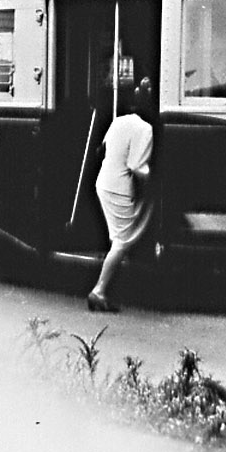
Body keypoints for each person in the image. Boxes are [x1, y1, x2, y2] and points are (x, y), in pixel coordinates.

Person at [87, 78, 155, 313]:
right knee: (122, 241)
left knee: (119, 237)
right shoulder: (145, 129)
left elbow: (102, 148)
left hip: (103, 182)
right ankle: (99, 291)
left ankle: (109, 288)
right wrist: (153, 181)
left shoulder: (119, 121)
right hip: (118, 186)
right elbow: (137, 166)